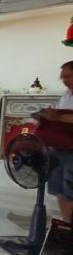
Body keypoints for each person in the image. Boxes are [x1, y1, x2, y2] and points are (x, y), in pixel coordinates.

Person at [46, 61, 73, 223]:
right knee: (59, 190)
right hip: (59, 149)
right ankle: (66, 224)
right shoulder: (66, 95)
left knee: (70, 191)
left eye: (68, 77)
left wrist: (58, 117)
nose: (64, 81)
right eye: (62, 78)